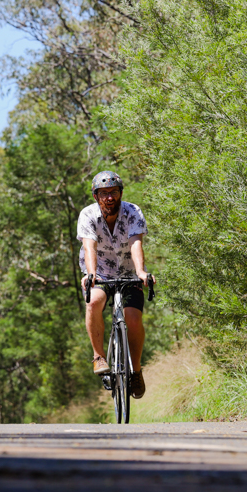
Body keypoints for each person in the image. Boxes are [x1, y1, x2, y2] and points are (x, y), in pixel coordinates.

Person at [77, 170, 155, 399]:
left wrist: (141, 272)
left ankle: (136, 371)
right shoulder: (87, 214)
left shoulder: (133, 211)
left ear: (121, 193)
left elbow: (135, 243)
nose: (109, 197)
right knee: (93, 302)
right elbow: (89, 246)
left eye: (113, 192)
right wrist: (91, 274)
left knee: (133, 318)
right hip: (100, 272)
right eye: (104, 193)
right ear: (96, 196)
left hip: (129, 273)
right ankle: (99, 356)